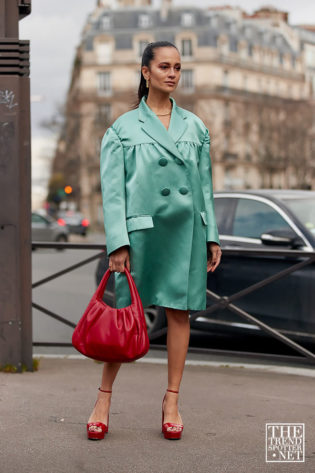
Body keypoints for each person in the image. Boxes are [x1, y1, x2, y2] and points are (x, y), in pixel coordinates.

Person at [87, 41, 222, 441]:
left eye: (178, 67)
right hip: (141, 235)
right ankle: (102, 400)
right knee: (125, 316)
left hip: (187, 232)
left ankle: (172, 401)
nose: (172, 74)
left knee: (179, 314)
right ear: (145, 72)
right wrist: (118, 243)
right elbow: (113, 195)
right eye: (164, 66)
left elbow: (205, 188)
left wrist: (211, 234)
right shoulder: (123, 129)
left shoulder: (196, 126)